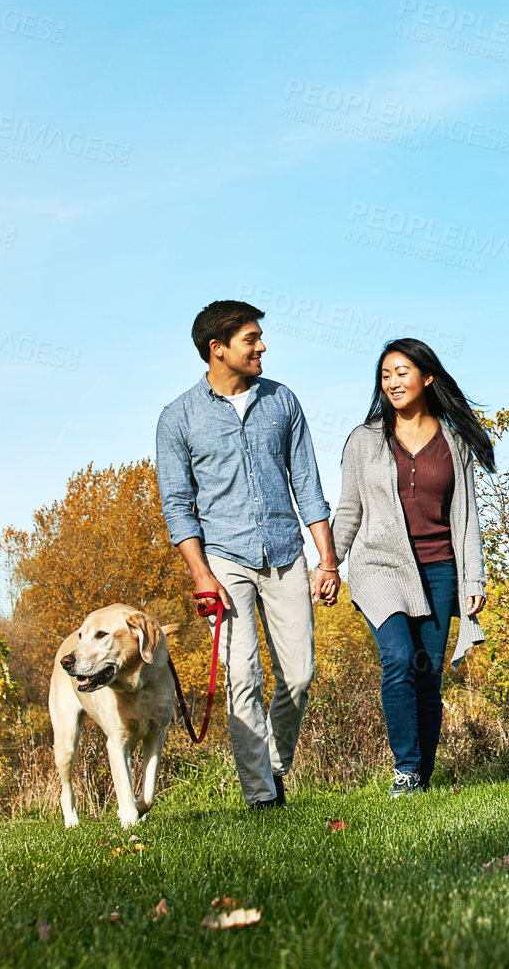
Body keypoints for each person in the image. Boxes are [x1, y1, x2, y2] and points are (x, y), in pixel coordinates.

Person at [156, 300, 340, 809]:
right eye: (251, 339)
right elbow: (176, 504)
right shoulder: (178, 418)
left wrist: (327, 560)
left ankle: (275, 767)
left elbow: (307, 483)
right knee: (242, 679)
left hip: (285, 555)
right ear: (217, 350)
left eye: (260, 338)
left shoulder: (283, 402)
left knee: (299, 676)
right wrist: (200, 574)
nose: (262, 347)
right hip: (225, 561)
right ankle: (261, 797)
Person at [333, 338, 494, 796]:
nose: (392, 382)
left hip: (440, 568)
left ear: (426, 377)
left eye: (402, 372)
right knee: (400, 659)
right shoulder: (364, 441)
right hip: (380, 566)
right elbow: (348, 511)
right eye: (385, 375)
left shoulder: (454, 441)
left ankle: (420, 778)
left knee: (428, 677)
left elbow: (465, 516)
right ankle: (405, 770)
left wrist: (472, 577)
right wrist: (328, 564)